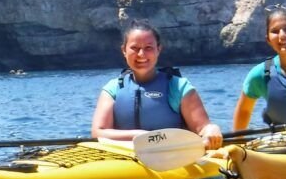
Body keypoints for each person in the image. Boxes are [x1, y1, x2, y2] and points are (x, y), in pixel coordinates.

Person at [91, 20, 223, 149]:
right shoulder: (112, 89)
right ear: (124, 50)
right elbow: (98, 133)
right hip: (125, 162)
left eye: (148, 48)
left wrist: (211, 129)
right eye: (134, 48)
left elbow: (203, 128)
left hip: (171, 159)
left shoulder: (179, 87)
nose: (141, 54)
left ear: (158, 49)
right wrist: (140, 136)